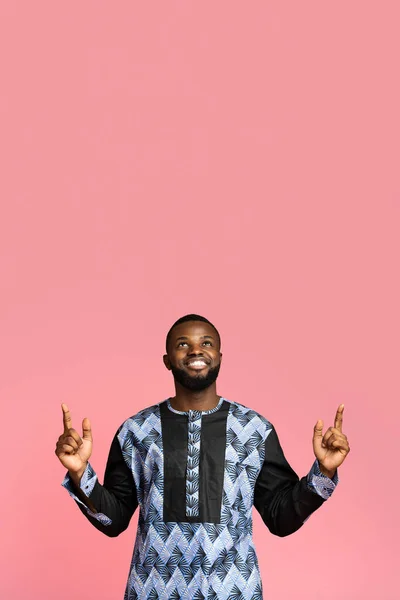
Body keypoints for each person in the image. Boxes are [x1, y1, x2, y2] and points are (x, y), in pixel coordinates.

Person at [56, 314, 350, 600]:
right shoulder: (136, 431)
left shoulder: (253, 430)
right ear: (167, 360)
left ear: (220, 357)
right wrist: (81, 473)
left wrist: (322, 472)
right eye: (183, 344)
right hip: (154, 590)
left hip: (234, 592)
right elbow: (114, 519)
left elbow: (281, 518)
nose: (196, 349)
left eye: (206, 343)